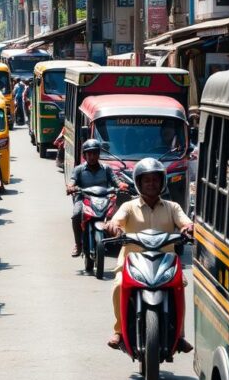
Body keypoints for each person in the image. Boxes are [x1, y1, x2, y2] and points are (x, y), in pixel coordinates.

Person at [104, 158, 193, 350]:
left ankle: (179, 335)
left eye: (155, 180)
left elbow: (184, 222)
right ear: (139, 183)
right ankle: (119, 331)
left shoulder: (172, 207)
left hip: (166, 262)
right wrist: (114, 226)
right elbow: (117, 220)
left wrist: (188, 228)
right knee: (119, 284)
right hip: (132, 262)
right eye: (147, 180)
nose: (151, 184)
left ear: (162, 182)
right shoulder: (128, 206)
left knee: (180, 285)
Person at [66, 139, 125, 257]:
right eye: (89, 153)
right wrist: (71, 187)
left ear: (98, 154)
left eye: (94, 153)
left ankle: (115, 240)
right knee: (76, 214)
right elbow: (72, 181)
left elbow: (115, 180)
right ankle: (78, 244)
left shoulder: (106, 169)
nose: (92, 156)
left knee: (117, 215)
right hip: (84, 199)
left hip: (104, 198)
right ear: (85, 155)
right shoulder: (79, 169)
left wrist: (121, 185)